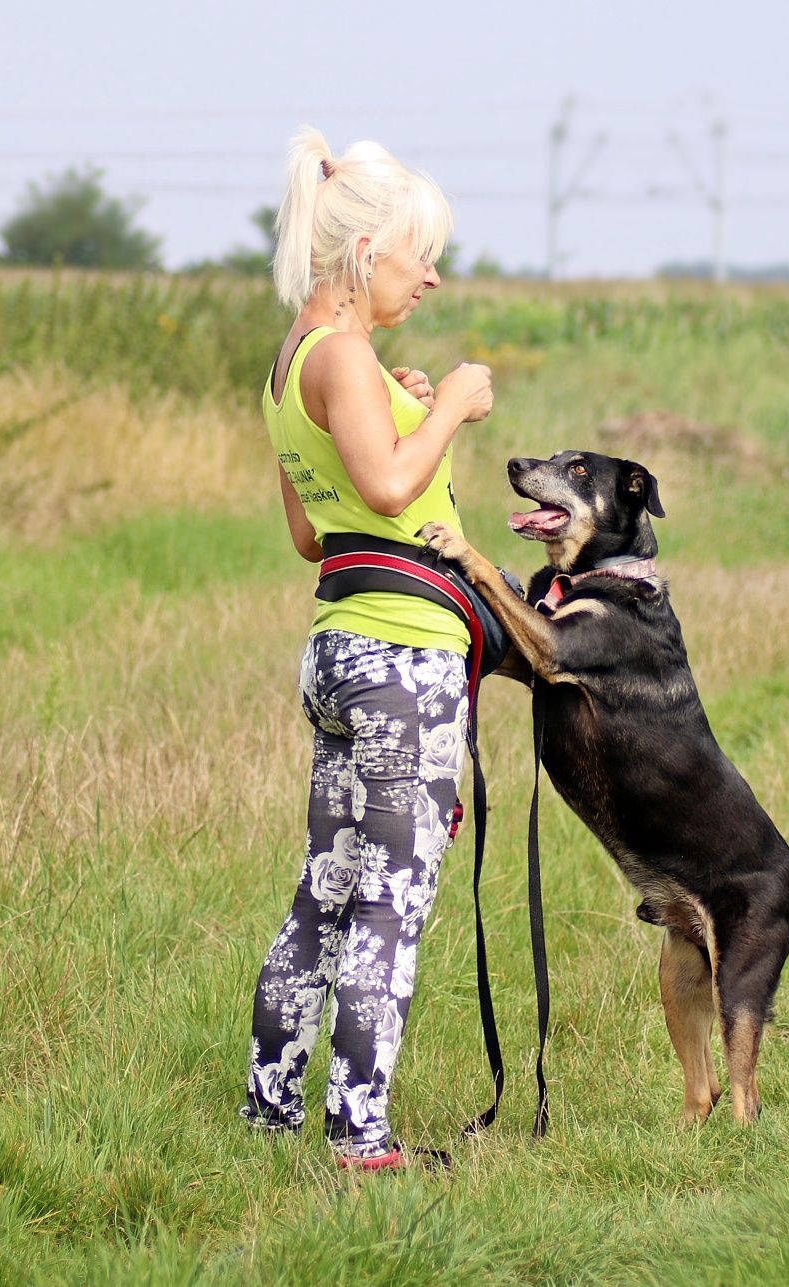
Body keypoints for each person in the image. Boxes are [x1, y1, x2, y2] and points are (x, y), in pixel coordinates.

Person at [242, 126, 494, 1171]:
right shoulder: (345, 356)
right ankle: (361, 1140)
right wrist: (457, 412)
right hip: (400, 659)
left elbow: (316, 530)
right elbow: (391, 490)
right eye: (416, 255)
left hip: (340, 649)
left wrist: (411, 410)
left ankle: (270, 1109)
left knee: (329, 887)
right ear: (361, 255)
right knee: (394, 894)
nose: (430, 277)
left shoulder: (292, 364)